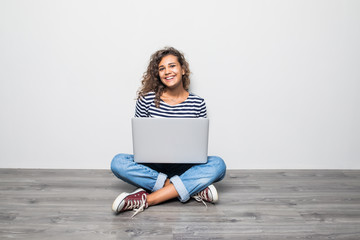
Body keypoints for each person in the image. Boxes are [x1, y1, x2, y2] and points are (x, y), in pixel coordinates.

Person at [111, 47, 226, 217]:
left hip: (185, 166)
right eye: (162, 68)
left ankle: (147, 199)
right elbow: (140, 140)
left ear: (183, 69)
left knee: (219, 165)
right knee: (118, 162)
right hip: (153, 166)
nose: (167, 72)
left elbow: (198, 143)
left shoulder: (198, 103)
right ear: (157, 74)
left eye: (172, 66)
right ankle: (191, 189)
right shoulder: (146, 100)